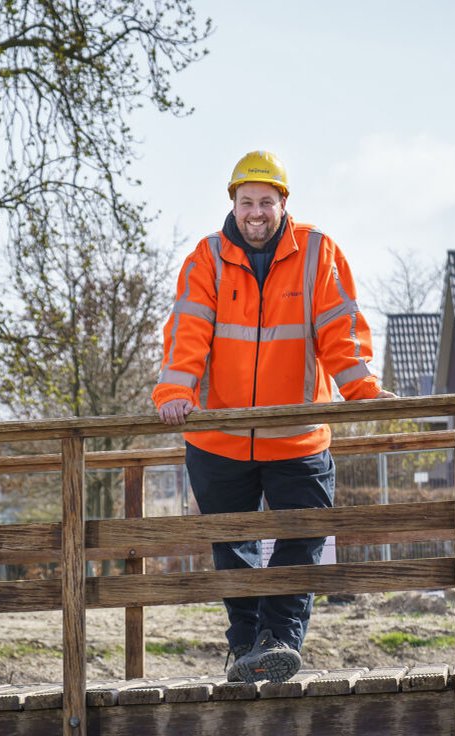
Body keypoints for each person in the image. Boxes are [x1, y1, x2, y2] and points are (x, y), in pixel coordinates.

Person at [153, 149, 393, 683]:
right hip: (220, 437)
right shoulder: (207, 257)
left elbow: (339, 328)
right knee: (233, 546)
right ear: (232, 204)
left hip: (298, 437)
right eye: (246, 202)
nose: (255, 212)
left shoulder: (316, 252)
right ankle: (245, 648)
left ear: (284, 204)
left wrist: (361, 389)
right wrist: (175, 389)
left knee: (303, 536)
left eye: (266, 201)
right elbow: (187, 329)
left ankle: (279, 639)